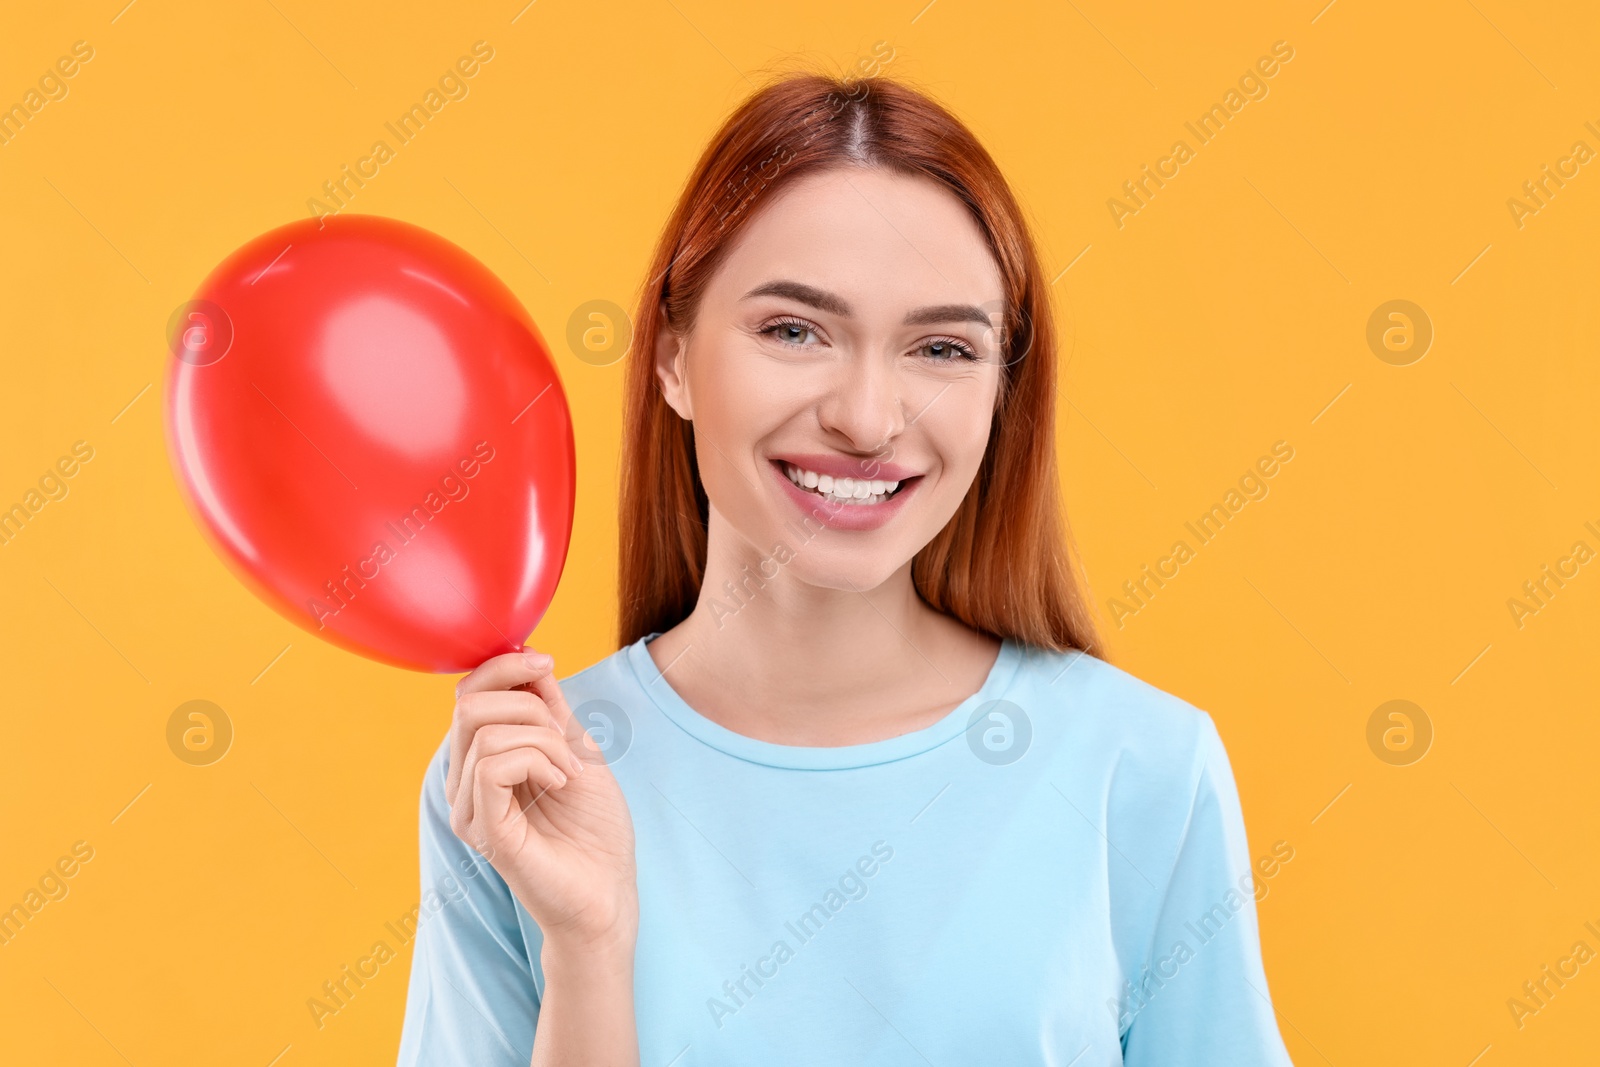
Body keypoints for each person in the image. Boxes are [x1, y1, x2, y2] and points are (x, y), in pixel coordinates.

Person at [397, 70, 1294, 1067]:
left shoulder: (1143, 768)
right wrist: (588, 948)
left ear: (1003, 391)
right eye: (793, 329)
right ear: (672, 356)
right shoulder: (525, 777)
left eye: (942, 347)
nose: (868, 418)